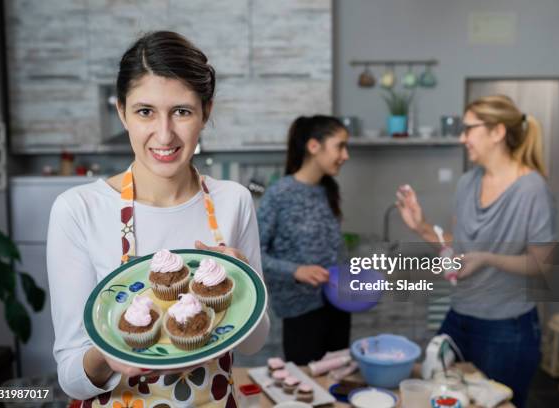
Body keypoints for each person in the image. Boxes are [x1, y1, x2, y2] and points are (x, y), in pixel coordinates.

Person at [46, 31, 269, 407]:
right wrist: (107, 357)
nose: (164, 135)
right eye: (145, 111)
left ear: (205, 112)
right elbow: (71, 374)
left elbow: (254, 342)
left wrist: (244, 285)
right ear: (122, 112)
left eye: (181, 111)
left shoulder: (234, 201)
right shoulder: (78, 209)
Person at [396, 95, 554, 407]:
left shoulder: (532, 189)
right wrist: (422, 226)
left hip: (506, 329)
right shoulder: (467, 182)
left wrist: (486, 259)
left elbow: (542, 263)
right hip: (458, 317)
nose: (462, 137)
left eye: (469, 129)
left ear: (497, 132)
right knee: (440, 395)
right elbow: (460, 247)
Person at [257, 115, 350, 365]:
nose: (346, 155)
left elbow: (333, 248)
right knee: (307, 389)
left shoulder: (328, 190)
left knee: (338, 379)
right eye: (340, 146)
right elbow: (253, 255)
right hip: (301, 312)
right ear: (314, 146)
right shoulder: (279, 194)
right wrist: (296, 270)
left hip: (338, 305)